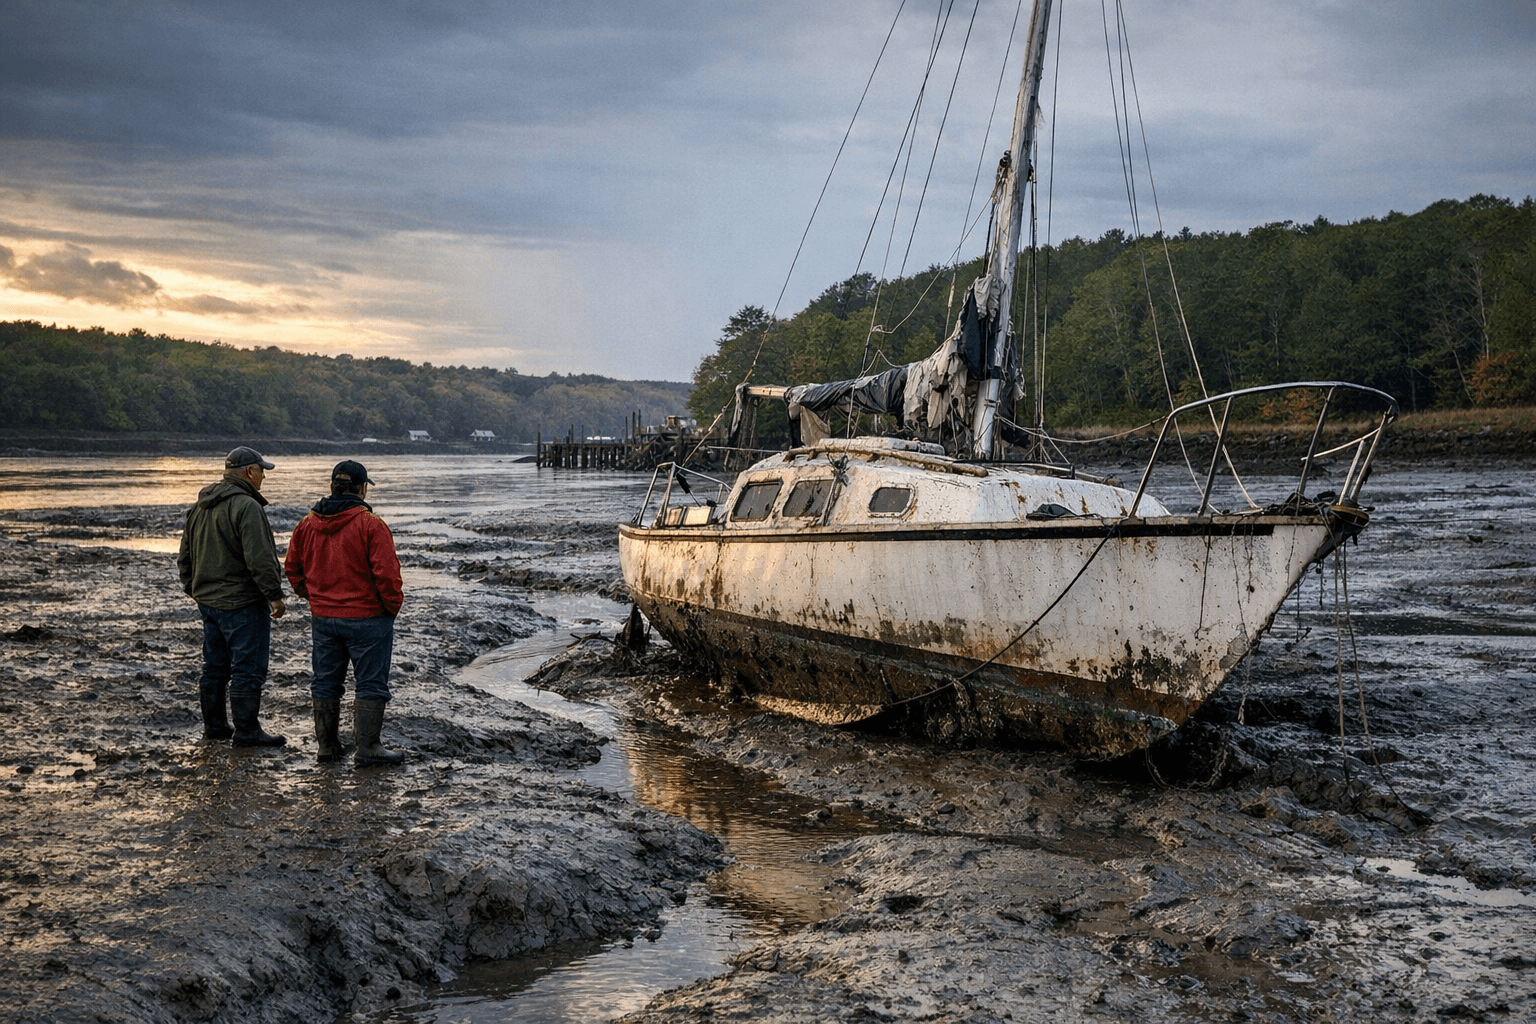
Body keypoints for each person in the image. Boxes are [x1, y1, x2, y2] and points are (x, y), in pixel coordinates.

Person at [283, 459, 405, 766]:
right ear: (362, 489)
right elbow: (388, 577)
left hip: (324, 618)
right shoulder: (371, 525)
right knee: (371, 683)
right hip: (367, 618)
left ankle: (327, 746)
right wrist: (390, 609)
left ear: (332, 487)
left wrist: (313, 598)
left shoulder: (307, 523)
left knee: (325, 681)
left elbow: (292, 568)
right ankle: (368, 748)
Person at [177, 446, 287, 746]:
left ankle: (215, 727)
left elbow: (184, 555)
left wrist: (193, 588)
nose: (264, 476)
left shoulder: (200, 506)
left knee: (214, 667)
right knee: (247, 669)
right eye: (262, 470)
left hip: (208, 602)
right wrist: (275, 596)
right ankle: (248, 732)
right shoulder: (247, 507)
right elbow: (260, 558)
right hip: (242, 602)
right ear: (250, 472)